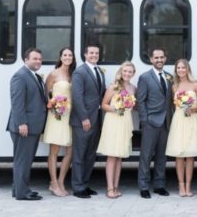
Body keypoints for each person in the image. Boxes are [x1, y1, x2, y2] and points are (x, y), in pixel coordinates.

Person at [6, 48, 47, 201]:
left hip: (32, 126)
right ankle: (22, 193)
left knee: (24, 160)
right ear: (25, 60)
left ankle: (18, 189)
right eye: (35, 59)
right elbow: (17, 103)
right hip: (24, 127)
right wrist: (22, 123)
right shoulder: (20, 76)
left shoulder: (34, 76)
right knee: (22, 161)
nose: (38, 61)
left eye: (40, 59)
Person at [70, 42, 105, 199]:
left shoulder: (99, 71)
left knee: (90, 155)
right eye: (91, 53)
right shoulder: (79, 72)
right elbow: (77, 97)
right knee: (79, 155)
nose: (94, 56)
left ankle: (85, 183)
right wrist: (84, 118)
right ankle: (77, 187)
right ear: (85, 54)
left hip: (96, 119)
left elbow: (100, 94)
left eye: (96, 53)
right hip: (83, 121)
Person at [165, 58, 197, 197]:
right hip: (179, 120)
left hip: (192, 120)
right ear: (176, 70)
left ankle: (189, 186)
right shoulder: (174, 86)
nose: (181, 70)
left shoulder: (196, 85)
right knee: (179, 155)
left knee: (190, 155)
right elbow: (172, 105)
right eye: (178, 68)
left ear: (188, 69)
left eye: (183, 67)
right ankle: (181, 186)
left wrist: (192, 110)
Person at [136, 47, 172, 198]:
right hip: (151, 121)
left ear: (165, 58)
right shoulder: (145, 77)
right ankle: (144, 187)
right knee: (146, 155)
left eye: (161, 57)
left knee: (161, 156)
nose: (159, 60)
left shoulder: (170, 77)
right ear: (151, 59)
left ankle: (159, 185)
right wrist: (145, 120)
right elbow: (140, 100)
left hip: (166, 122)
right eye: (156, 57)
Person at [97, 61, 136, 199]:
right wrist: (116, 108)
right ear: (121, 71)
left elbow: (134, 106)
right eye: (125, 71)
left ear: (133, 74)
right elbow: (103, 105)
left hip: (125, 122)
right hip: (113, 121)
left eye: (130, 72)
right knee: (112, 156)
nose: (127, 74)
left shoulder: (133, 88)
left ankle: (116, 186)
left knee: (120, 156)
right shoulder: (114, 87)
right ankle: (109, 188)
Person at [42, 47, 75, 197]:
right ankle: (53, 183)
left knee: (70, 151)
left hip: (70, 116)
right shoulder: (54, 73)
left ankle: (61, 181)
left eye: (70, 55)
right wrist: (52, 104)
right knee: (54, 151)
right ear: (61, 57)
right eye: (65, 55)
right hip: (57, 116)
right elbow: (46, 93)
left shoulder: (73, 74)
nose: (67, 57)